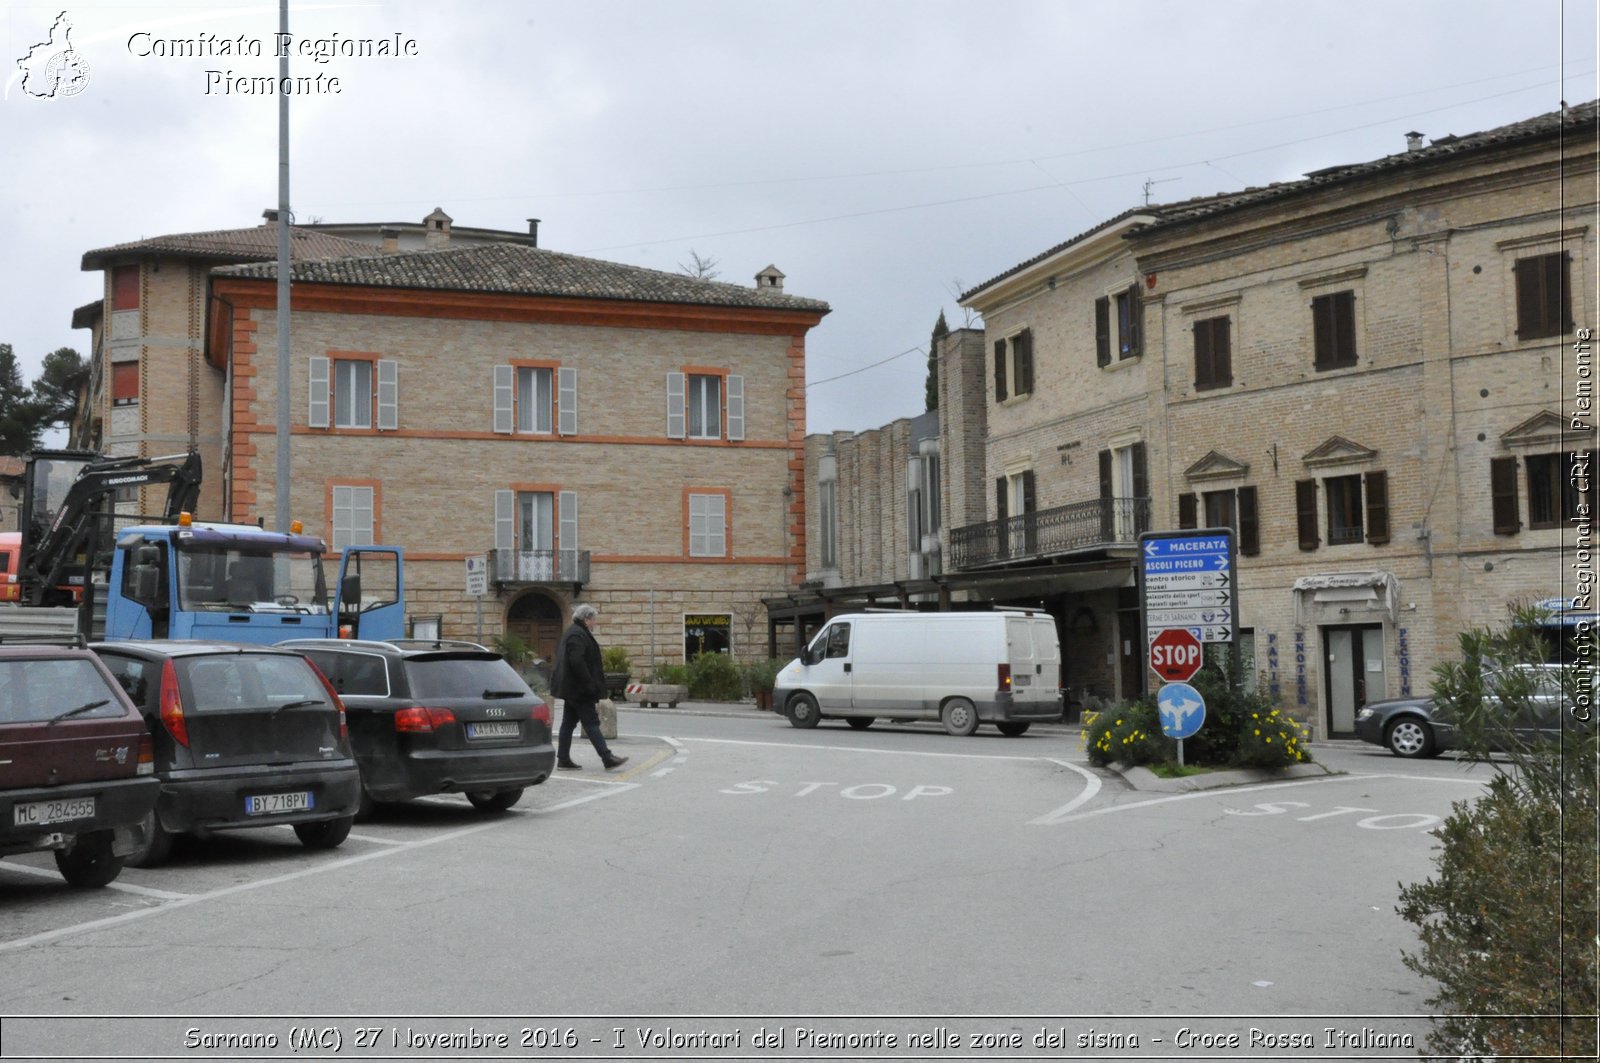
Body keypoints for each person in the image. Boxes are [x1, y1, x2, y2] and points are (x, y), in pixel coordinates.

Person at [551, 603, 627, 771]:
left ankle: (563, 759)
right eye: (593, 620)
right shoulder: (577, 635)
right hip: (579, 689)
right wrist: (589, 684)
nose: (595, 623)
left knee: (568, 723)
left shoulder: (575, 632)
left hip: (573, 689)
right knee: (591, 723)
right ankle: (607, 758)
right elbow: (577, 661)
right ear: (586, 619)